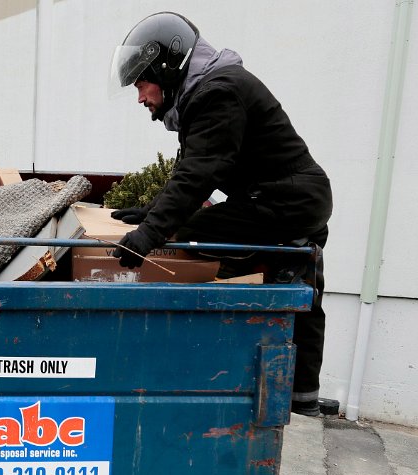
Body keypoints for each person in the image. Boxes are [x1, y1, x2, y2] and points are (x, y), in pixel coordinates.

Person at [109, 12, 333, 417]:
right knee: (299, 285)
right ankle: (302, 398)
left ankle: (242, 371)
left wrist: (148, 236)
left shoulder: (218, 92)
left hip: (288, 203)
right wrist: (151, 212)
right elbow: (192, 170)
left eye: (141, 84)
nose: (140, 97)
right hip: (286, 199)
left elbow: (198, 175)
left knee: (193, 234)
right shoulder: (206, 92)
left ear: (167, 68)